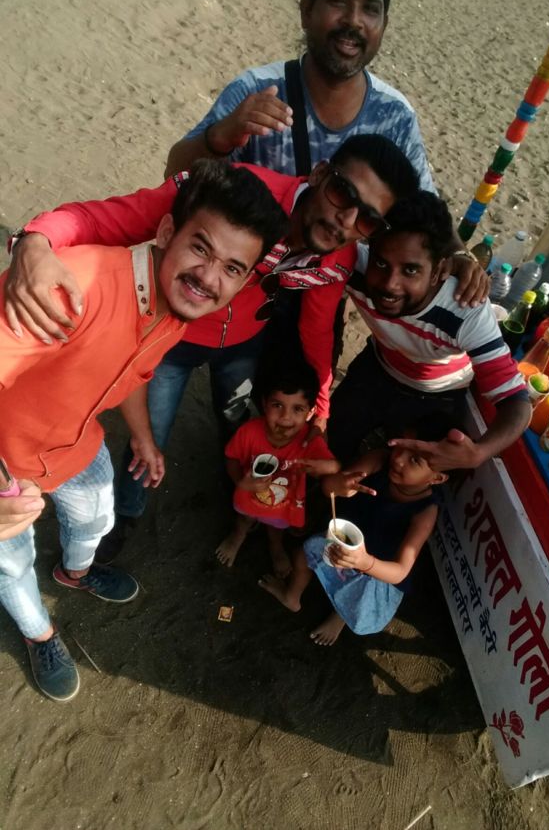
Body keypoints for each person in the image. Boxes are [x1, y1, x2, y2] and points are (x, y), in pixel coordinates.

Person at [5, 139, 486, 562]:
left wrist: (321, 407)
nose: (346, 221)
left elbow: (318, 330)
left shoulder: (337, 258)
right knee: (149, 434)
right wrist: (35, 242)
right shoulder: (236, 193)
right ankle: (126, 516)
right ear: (320, 174)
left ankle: (239, 489)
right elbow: (110, 216)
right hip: (171, 338)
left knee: (236, 421)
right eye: (343, 194)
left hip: (240, 345)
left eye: (367, 219)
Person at [0, 160, 287, 702]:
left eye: (232, 267)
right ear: (165, 231)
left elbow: (130, 370)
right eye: (200, 248)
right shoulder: (74, 287)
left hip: (76, 445)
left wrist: (143, 437)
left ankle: (74, 574)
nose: (209, 278)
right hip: (7, 471)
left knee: (96, 518)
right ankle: (40, 634)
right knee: (11, 566)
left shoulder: (175, 309)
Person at [165, 0, 435, 193]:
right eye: (338, 1)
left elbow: (425, 220)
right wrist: (221, 137)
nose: (354, 20)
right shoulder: (256, 91)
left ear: (384, 25)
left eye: (370, 9)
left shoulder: (396, 117)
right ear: (306, 11)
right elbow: (173, 179)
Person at [326, 191, 532, 468]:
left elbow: (517, 402)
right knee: (330, 445)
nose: (390, 284)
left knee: (400, 477)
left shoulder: (466, 310)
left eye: (410, 270)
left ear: (439, 271)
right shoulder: (356, 268)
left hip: (436, 396)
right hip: (376, 366)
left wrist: (479, 453)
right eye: (381, 263)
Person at [259, 421, 446, 645]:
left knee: (357, 602)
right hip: (342, 541)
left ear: (437, 478)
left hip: (377, 570)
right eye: (401, 446)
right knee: (301, 556)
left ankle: (340, 616)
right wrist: (338, 484)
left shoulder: (425, 512)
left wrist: (365, 562)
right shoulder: (378, 460)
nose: (398, 459)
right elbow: (329, 487)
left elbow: (400, 572)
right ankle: (292, 597)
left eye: (414, 460)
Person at [219, 359, 339, 578]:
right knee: (244, 519)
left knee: (276, 528)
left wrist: (324, 465)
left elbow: (334, 467)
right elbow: (231, 458)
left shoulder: (309, 442)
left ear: (310, 413)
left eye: (297, 409)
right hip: (248, 495)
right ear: (264, 404)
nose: (285, 417)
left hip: (283, 506)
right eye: (277, 405)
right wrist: (240, 483)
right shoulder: (248, 432)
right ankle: (238, 536)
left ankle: (275, 546)